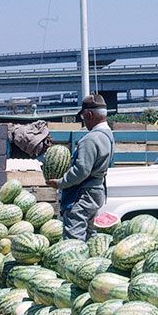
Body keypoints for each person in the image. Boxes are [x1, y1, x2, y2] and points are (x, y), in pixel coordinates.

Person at [45, 94, 116, 241]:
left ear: (89, 114)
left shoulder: (90, 139)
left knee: (74, 236)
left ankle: (75, 263)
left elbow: (81, 170)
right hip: (96, 191)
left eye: (83, 117)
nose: (83, 121)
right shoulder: (108, 135)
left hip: (83, 194)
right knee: (89, 234)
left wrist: (60, 183)